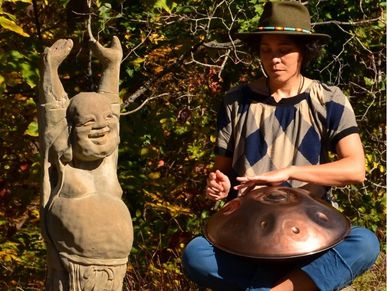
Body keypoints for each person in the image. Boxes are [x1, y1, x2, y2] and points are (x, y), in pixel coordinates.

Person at [182, 2, 380, 291]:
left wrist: (287, 171)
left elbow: (355, 168)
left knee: (364, 243)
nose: (274, 59)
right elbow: (221, 172)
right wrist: (218, 185)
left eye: (284, 49)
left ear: (304, 51)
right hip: (248, 234)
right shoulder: (236, 101)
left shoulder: (328, 100)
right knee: (196, 254)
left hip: (311, 235)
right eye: (266, 50)